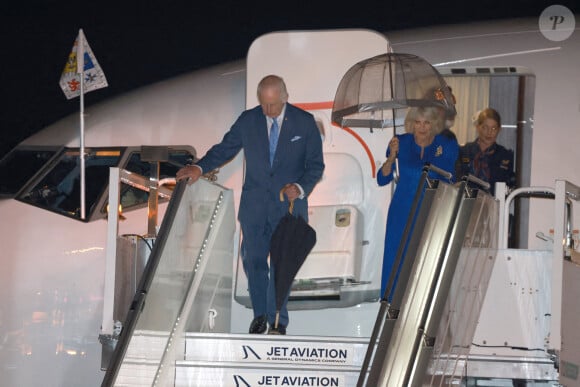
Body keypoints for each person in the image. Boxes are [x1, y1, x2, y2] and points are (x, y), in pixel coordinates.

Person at [176, 75, 324, 335]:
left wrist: (299, 187)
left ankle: (278, 322)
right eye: (264, 105)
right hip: (254, 206)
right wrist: (199, 167)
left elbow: (315, 166)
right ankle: (260, 317)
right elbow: (225, 149)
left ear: (285, 97)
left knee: (281, 264)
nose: (268, 111)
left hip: (288, 208)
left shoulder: (304, 122)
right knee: (254, 261)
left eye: (273, 105)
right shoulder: (248, 120)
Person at [377, 106, 459, 299]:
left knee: (426, 260)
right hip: (402, 210)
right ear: (411, 124)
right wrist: (390, 157)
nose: (422, 127)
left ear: (434, 125)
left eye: (427, 123)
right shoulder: (400, 142)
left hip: (431, 210)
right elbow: (382, 179)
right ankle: (391, 304)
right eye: (418, 122)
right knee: (396, 259)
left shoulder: (446, 145)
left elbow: (449, 178)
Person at [456, 107, 515, 195]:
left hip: (492, 205)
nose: (489, 132)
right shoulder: (464, 151)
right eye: (485, 127)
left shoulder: (505, 156)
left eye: (493, 128)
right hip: (464, 203)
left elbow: (510, 187)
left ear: (499, 129)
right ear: (477, 127)